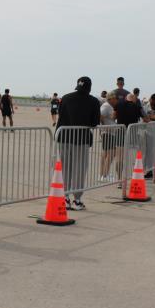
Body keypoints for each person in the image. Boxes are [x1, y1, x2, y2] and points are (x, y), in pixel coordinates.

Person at [56, 77, 101, 211]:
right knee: (79, 169)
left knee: (65, 168)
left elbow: (60, 114)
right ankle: (77, 200)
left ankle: (65, 197)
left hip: (64, 137)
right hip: (81, 139)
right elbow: (94, 123)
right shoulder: (93, 101)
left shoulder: (66, 98)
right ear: (89, 88)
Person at [99, 92, 120, 184]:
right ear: (111, 98)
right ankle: (105, 175)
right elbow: (100, 115)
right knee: (111, 153)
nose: (116, 101)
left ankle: (103, 174)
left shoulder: (109, 106)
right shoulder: (106, 106)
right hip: (108, 132)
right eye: (115, 98)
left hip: (110, 132)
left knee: (107, 153)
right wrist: (105, 126)